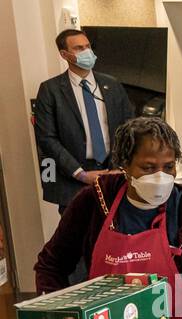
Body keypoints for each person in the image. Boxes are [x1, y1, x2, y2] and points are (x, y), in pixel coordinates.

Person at [34, 117, 182, 319]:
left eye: (169, 166)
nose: (160, 177)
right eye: (148, 168)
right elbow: (52, 264)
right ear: (124, 166)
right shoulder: (94, 201)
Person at [33, 28, 135, 214]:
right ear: (64, 55)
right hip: (73, 181)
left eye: (88, 46)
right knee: (80, 241)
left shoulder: (112, 84)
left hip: (114, 174)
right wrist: (81, 174)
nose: (87, 52)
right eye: (79, 48)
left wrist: (120, 167)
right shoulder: (51, 90)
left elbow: (129, 127)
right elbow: (47, 138)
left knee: (117, 238)